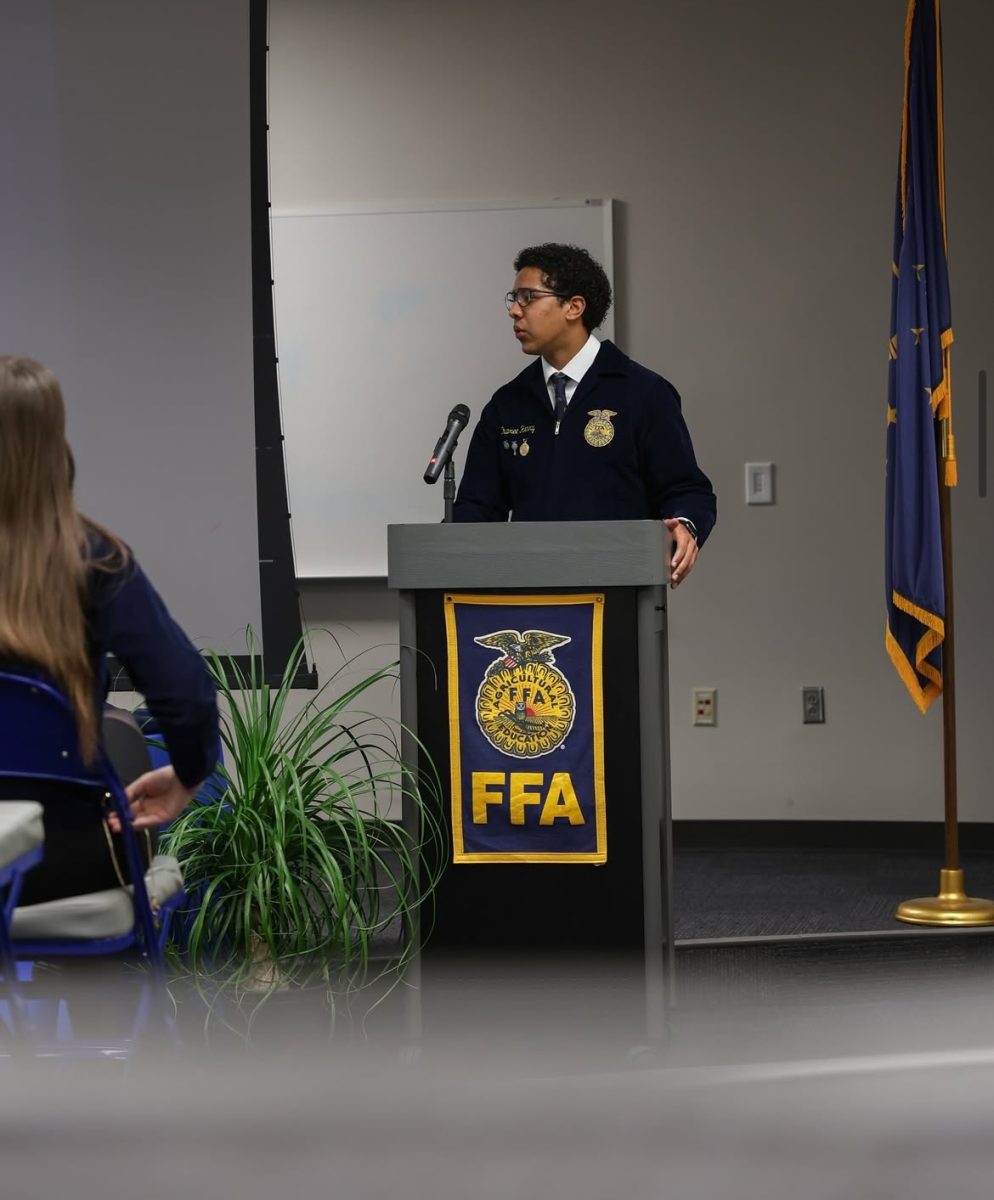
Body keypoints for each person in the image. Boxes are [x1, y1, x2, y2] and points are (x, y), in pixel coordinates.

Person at [0, 355, 219, 904]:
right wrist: (188, 775)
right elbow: (186, 696)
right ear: (55, 446)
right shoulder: (97, 561)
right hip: (68, 858)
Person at [453, 243, 716, 587]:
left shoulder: (642, 392)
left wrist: (685, 524)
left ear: (574, 307)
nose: (514, 311)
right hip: (527, 595)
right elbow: (478, 507)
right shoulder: (507, 404)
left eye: (528, 297)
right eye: (513, 298)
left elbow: (686, 489)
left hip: (619, 594)